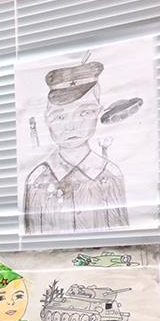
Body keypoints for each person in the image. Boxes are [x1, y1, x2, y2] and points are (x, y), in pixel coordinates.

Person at [22, 57, 128, 234]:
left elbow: (123, 237)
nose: (71, 126)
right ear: (47, 119)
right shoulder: (37, 181)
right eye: (60, 116)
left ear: (98, 112)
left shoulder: (110, 175)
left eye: (84, 112)